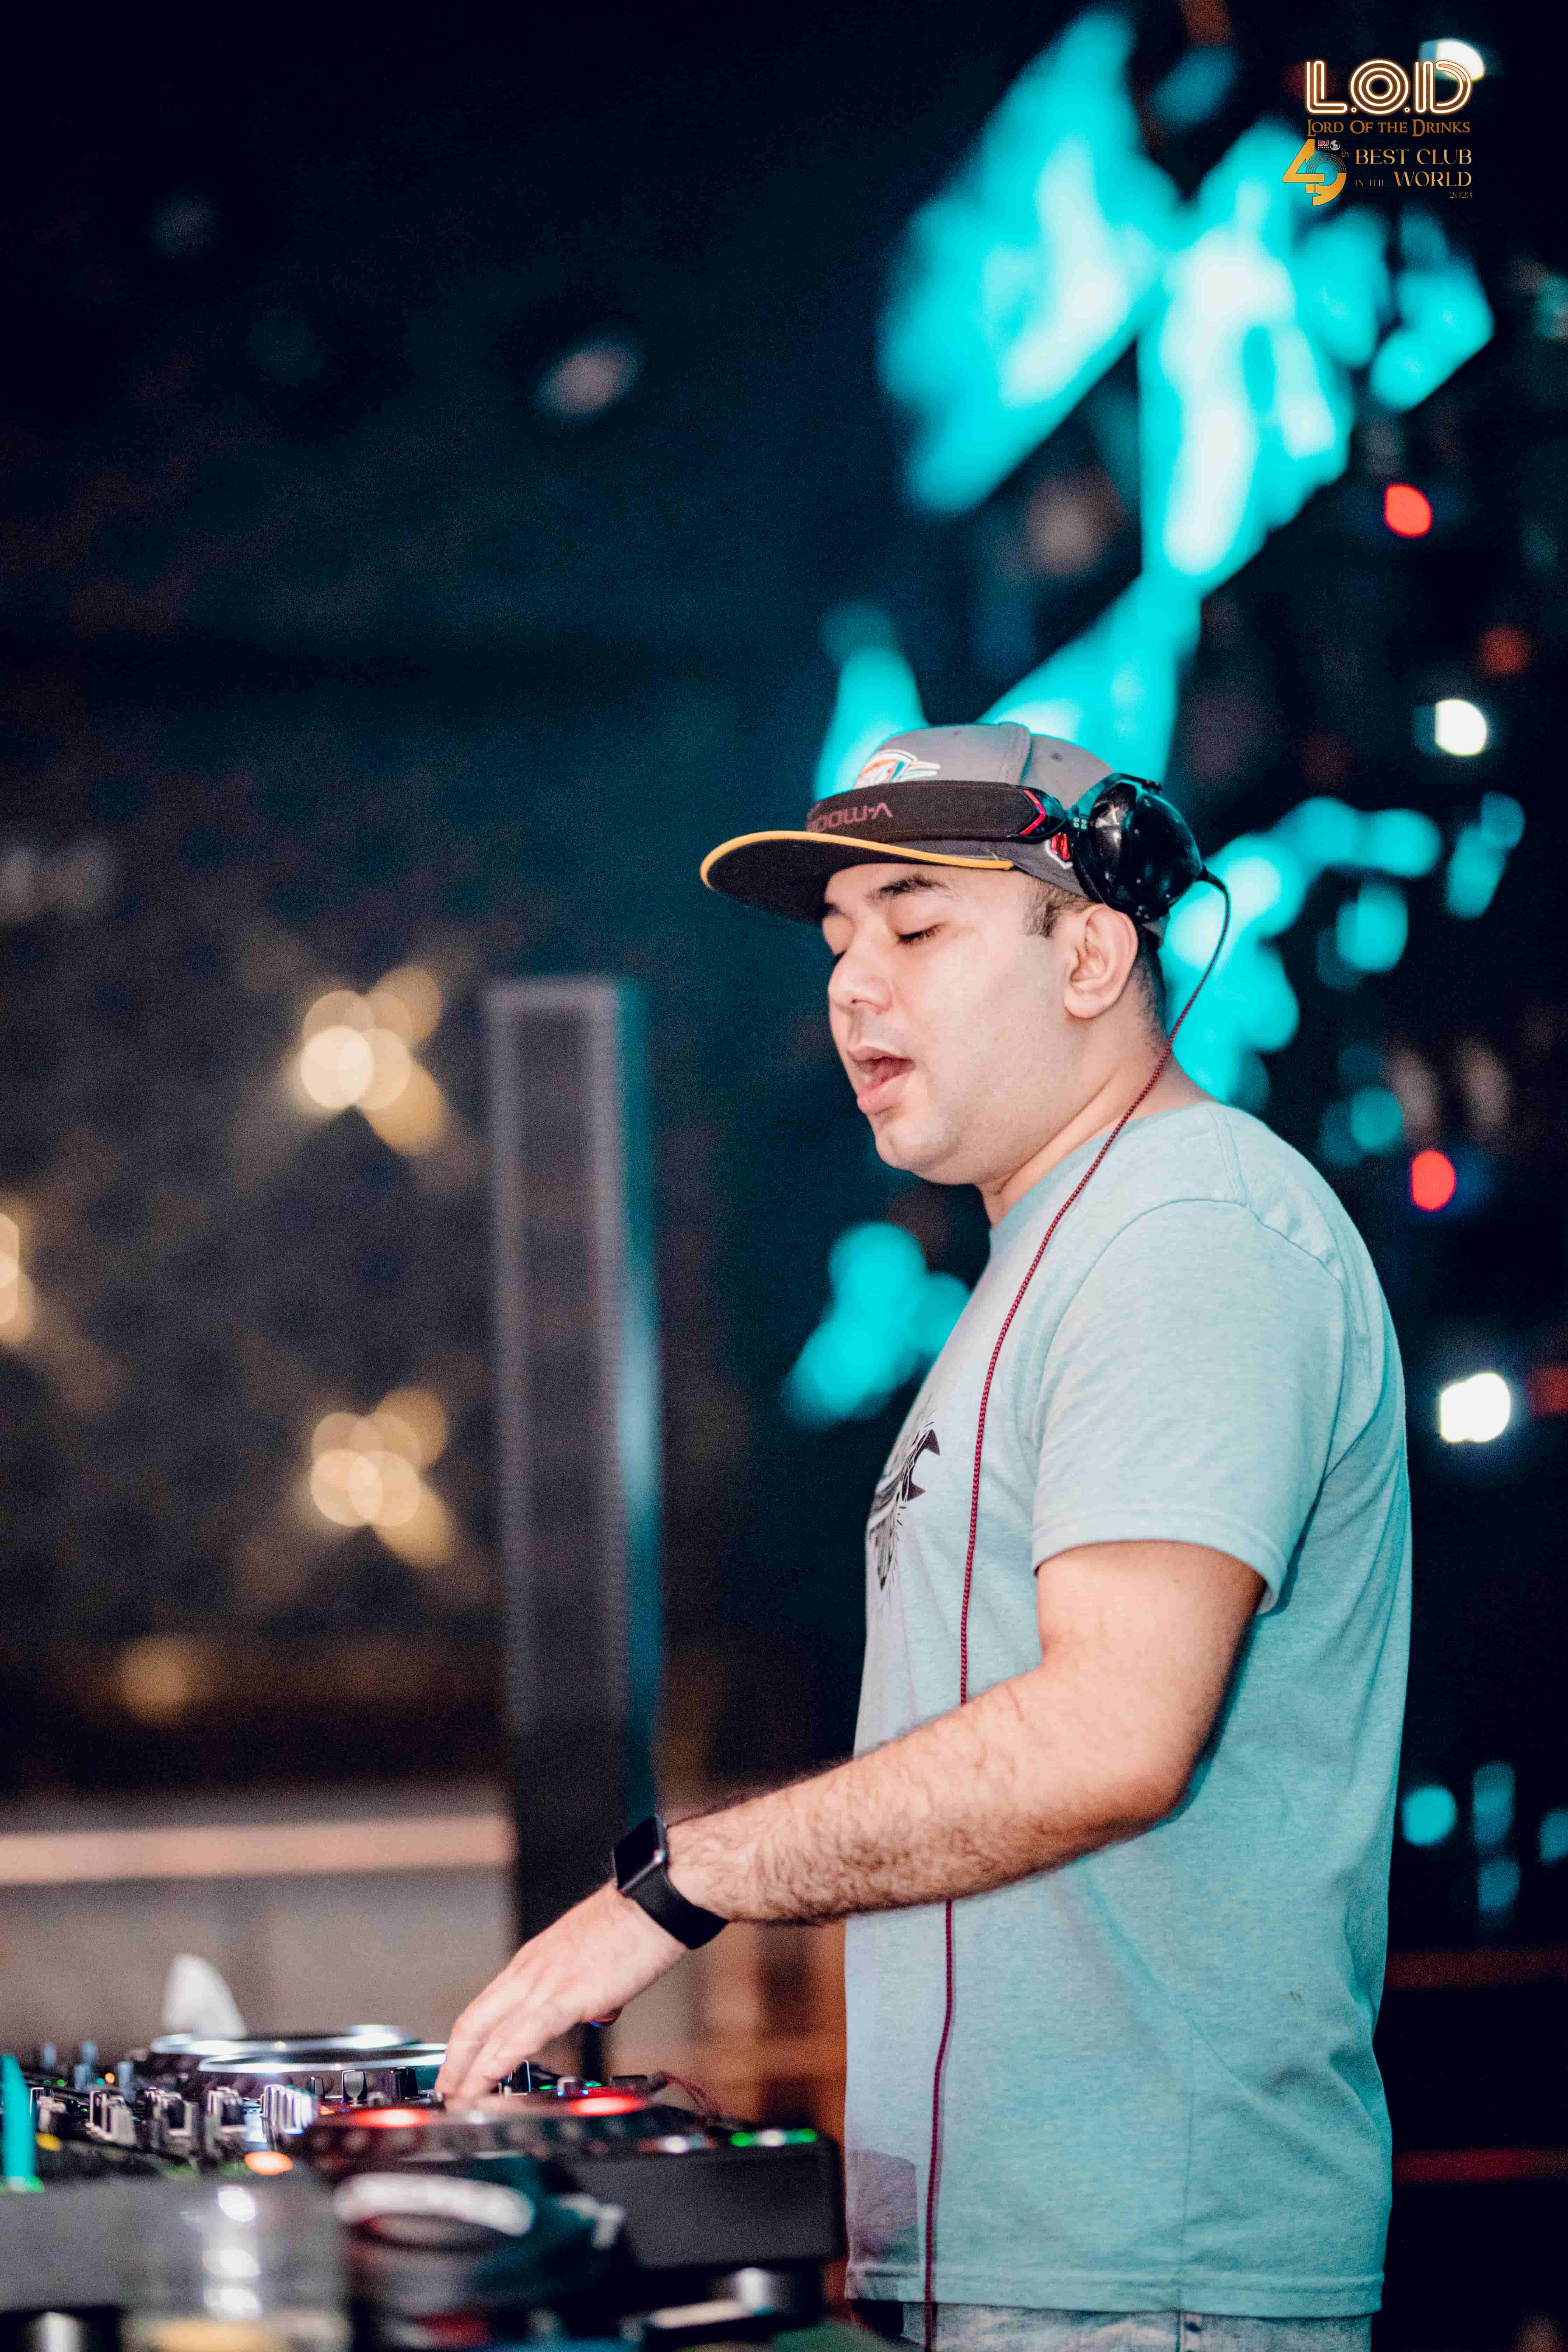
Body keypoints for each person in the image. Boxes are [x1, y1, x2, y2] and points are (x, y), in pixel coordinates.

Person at [438, 724, 1411, 2352]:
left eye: (916, 925)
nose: (851, 987)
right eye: (838, 942)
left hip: (1145, 2274)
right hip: (1039, 2265)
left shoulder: (1183, 1235)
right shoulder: (1055, 1254)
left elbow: (1109, 1736)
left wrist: (681, 1884)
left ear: (1091, 955)